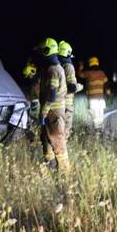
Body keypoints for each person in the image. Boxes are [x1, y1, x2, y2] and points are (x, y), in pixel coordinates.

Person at [34, 38, 70, 171]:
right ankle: (51, 167)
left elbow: (51, 95)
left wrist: (43, 113)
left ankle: (65, 174)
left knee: (58, 143)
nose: (39, 55)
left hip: (53, 113)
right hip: (52, 112)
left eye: (41, 51)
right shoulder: (52, 68)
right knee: (46, 140)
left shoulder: (53, 70)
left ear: (46, 51)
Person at [57, 41, 82, 137]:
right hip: (66, 103)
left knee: (55, 130)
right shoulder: (68, 67)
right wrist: (80, 86)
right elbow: (71, 87)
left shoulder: (55, 66)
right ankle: (62, 151)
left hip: (56, 103)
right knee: (65, 131)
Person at [79, 56, 111, 129]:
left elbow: (80, 75)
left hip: (92, 99)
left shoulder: (88, 73)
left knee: (94, 117)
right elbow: (106, 84)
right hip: (100, 99)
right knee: (100, 116)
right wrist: (108, 92)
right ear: (97, 63)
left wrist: (81, 66)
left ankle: (97, 131)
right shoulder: (102, 73)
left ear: (90, 64)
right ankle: (101, 130)